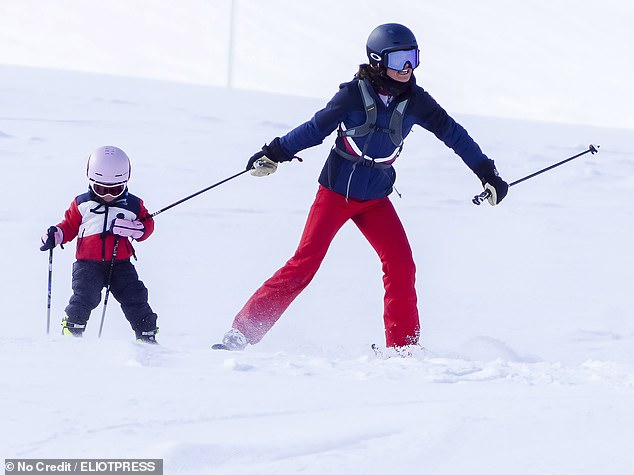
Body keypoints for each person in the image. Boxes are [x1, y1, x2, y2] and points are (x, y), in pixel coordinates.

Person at [212, 23, 508, 352]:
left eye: (412, 58)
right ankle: (243, 331)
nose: (407, 68)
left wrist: (486, 171)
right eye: (399, 60)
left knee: (401, 264)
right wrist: (275, 153)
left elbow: (453, 133)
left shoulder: (416, 101)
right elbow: (315, 128)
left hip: (376, 199)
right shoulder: (353, 95)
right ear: (378, 60)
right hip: (336, 194)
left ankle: (403, 349)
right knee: (305, 263)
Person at [40, 146, 160, 343]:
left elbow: (147, 225)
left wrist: (135, 229)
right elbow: (69, 226)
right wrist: (56, 235)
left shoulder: (133, 205)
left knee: (134, 295)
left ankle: (146, 332)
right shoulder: (81, 204)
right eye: (101, 189)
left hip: (121, 264)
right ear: (90, 181)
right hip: (87, 264)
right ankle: (72, 328)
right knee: (85, 296)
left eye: (115, 189)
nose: (108, 195)